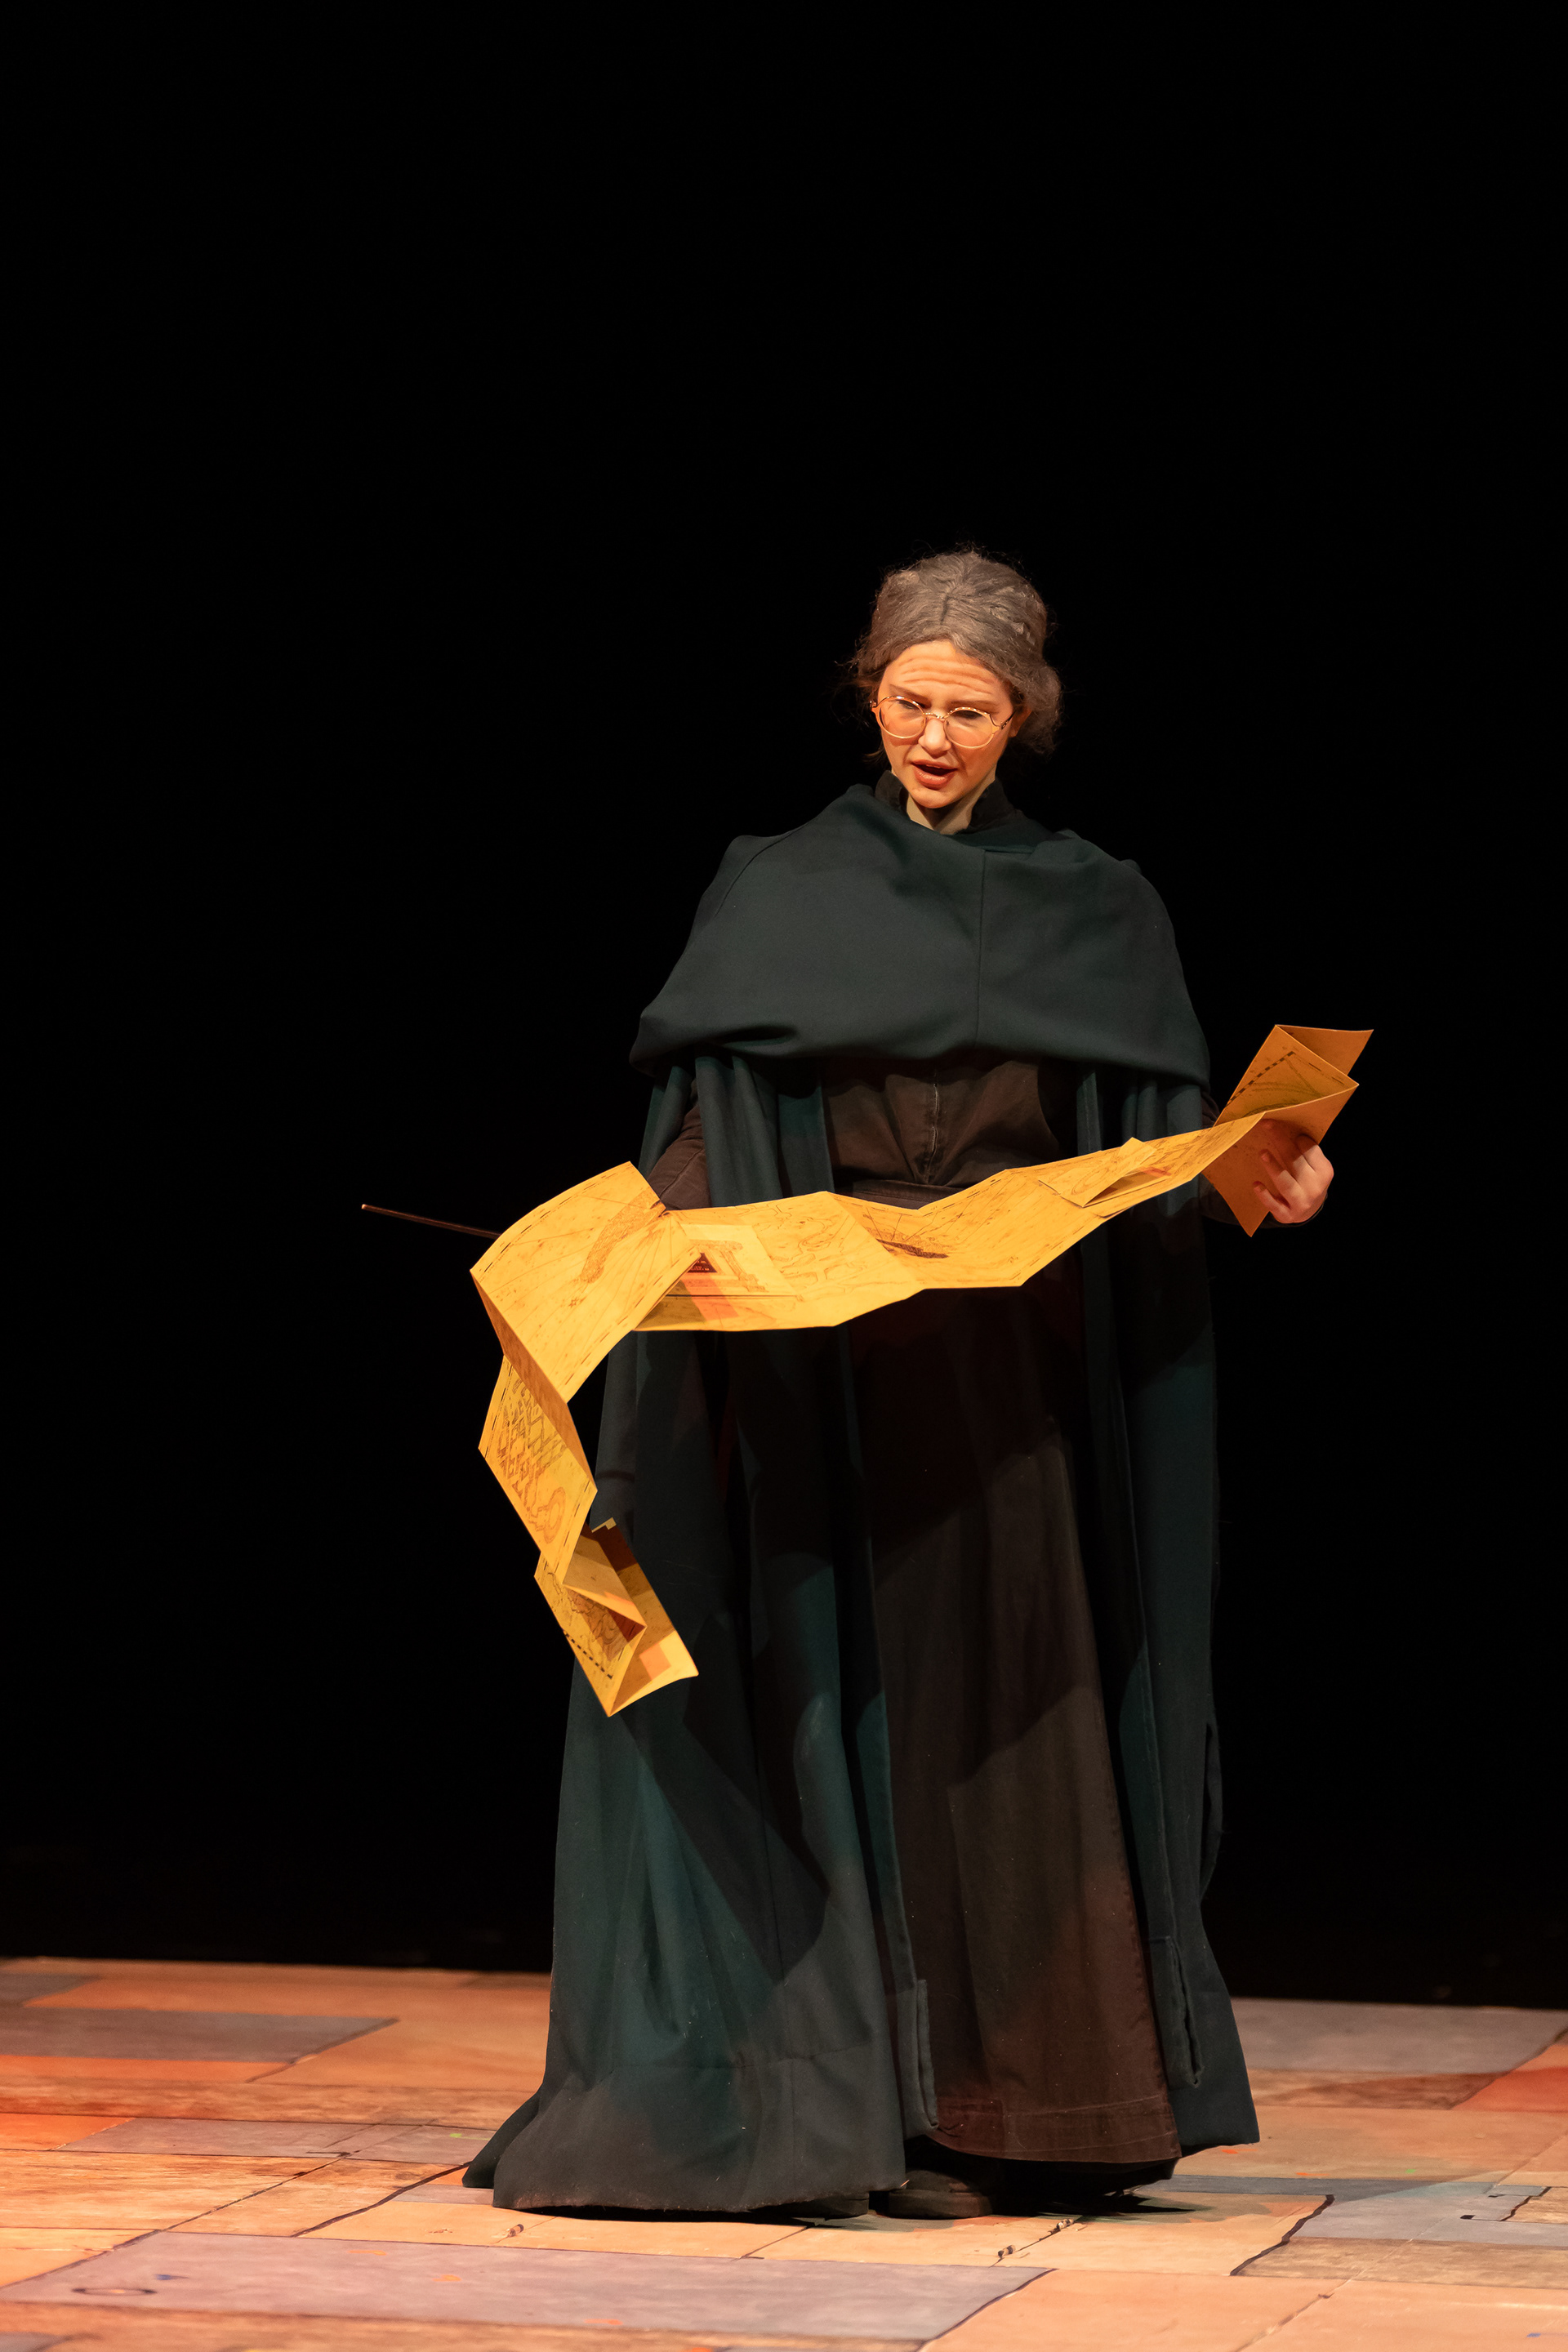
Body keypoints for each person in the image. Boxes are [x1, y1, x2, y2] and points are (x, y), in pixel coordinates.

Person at [466, 548, 1333, 2221]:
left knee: (999, 1739)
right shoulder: (780, 885)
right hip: (816, 1382)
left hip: (1008, 1405)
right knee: (815, 1710)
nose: (935, 738)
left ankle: (1016, 2110)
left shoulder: (1098, 904)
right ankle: (828, 2104)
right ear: (870, 696)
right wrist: (654, 1244)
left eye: (972, 712)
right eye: (909, 703)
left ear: (1026, 717)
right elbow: (708, 1118)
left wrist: (1259, 1179)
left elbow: (1149, 1163)